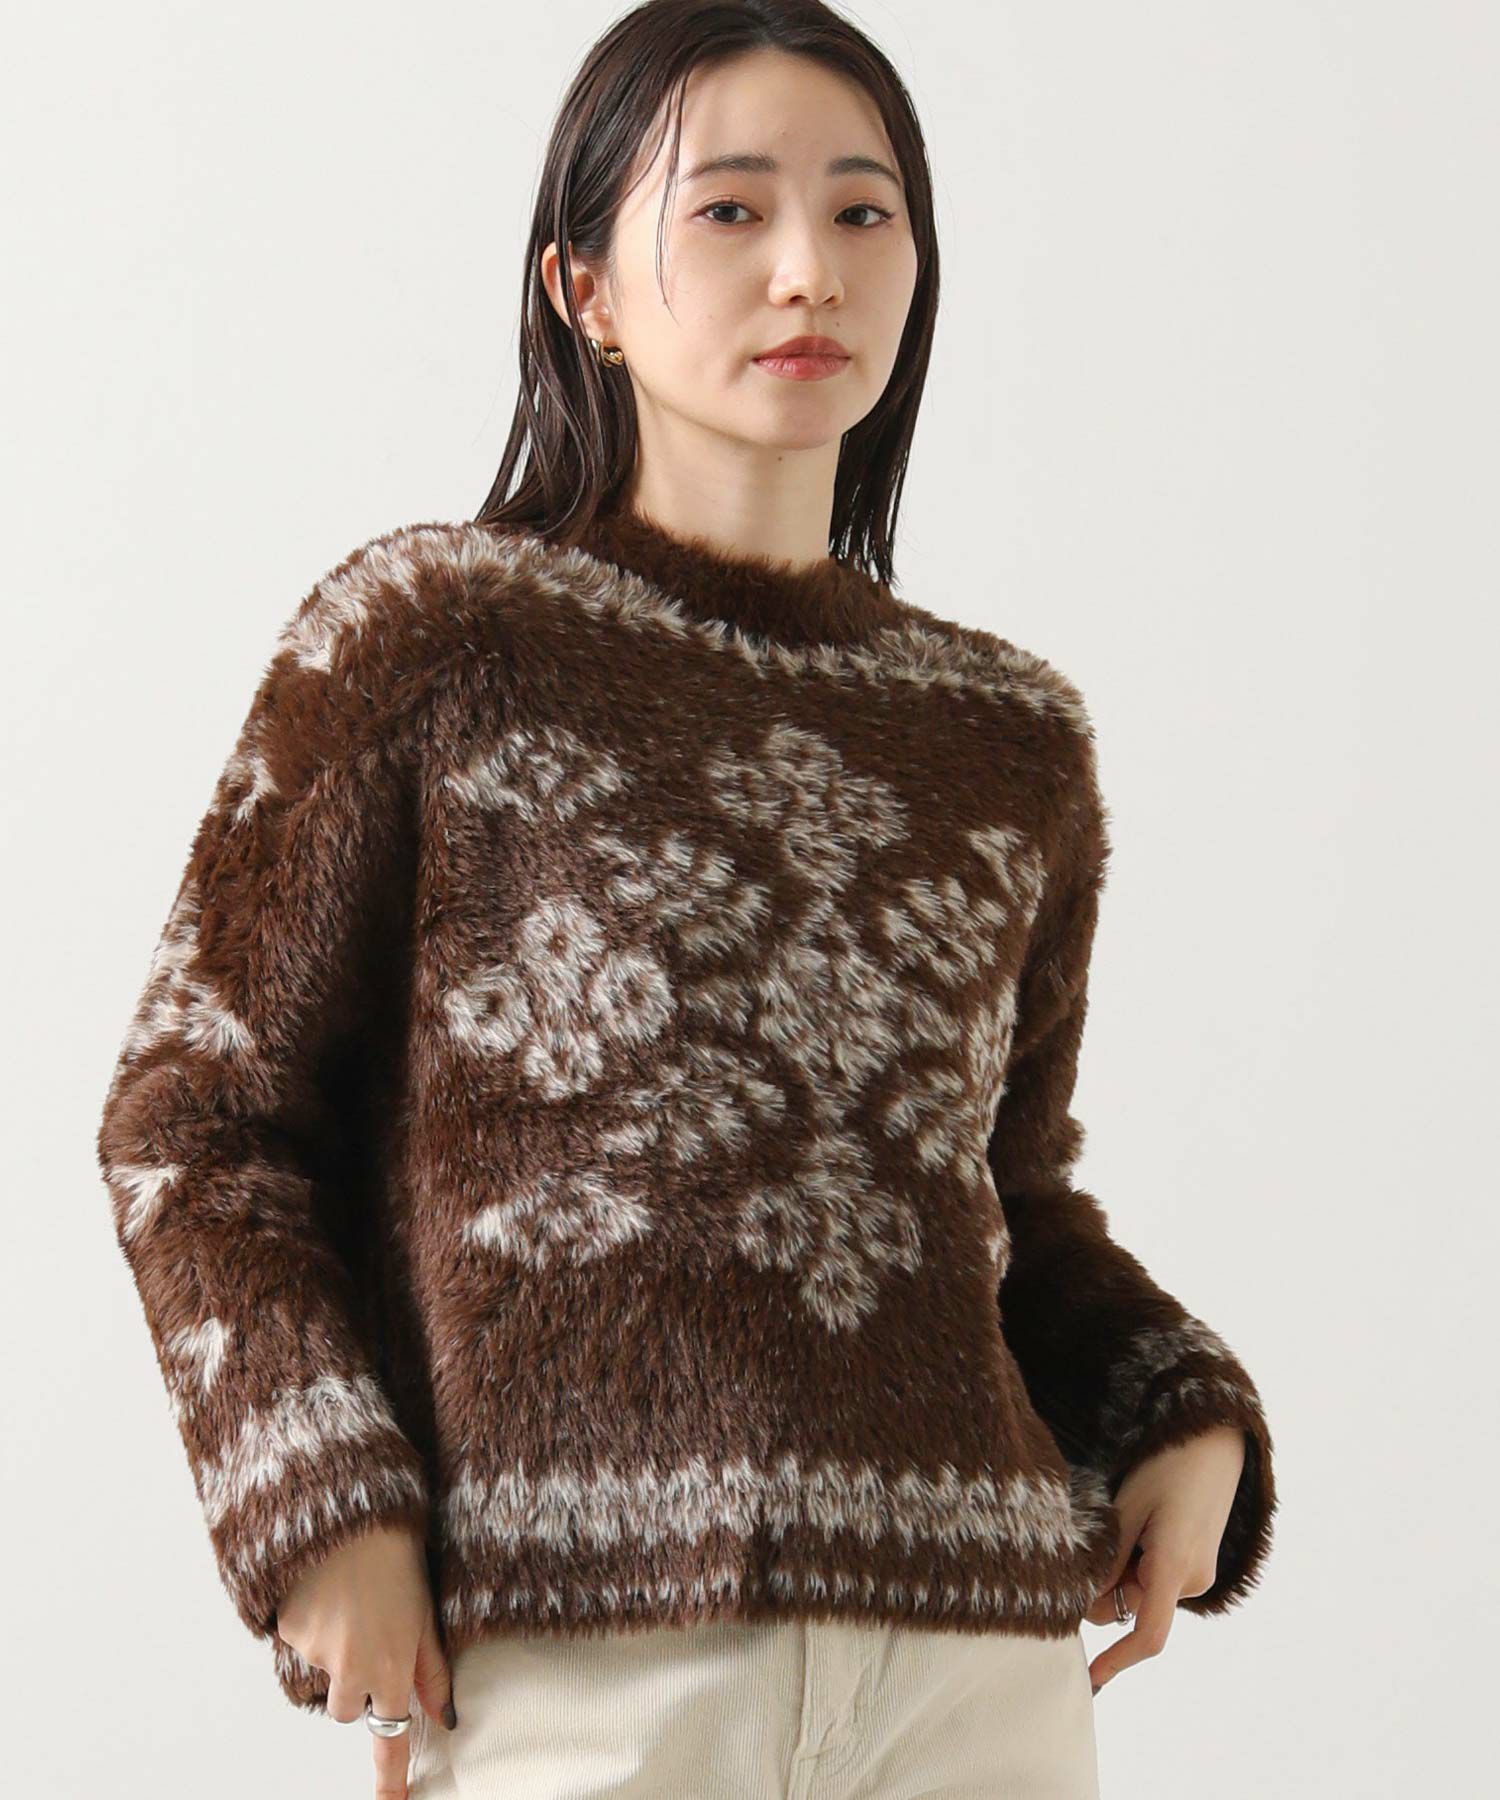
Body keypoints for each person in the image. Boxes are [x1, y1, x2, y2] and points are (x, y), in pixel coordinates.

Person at [95, 4, 1277, 1796]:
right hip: (582, 1662)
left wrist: (1174, 1407)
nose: (809, 267)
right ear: (583, 287)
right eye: (728, 210)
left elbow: (1003, 1198)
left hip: (979, 1672)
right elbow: (193, 1120)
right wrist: (320, 1507)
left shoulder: (1009, 736)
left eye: (865, 211)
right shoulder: (434, 639)